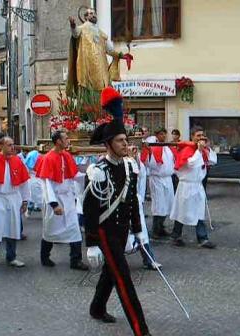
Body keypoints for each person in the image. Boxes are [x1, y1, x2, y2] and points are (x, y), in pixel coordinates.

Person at [83, 87, 151, 336]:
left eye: (126, 140)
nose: (126, 144)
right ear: (108, 144)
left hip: (122, 232)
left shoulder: (130, 167)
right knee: (123, 279)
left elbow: (131, 202)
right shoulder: (97, 171)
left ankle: (97, 307)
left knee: (110, 272)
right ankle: (141, 330)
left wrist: (138, 232)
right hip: (104, 231)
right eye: (121, 141)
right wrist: (91, 243)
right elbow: (89, 210)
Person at [36, 131, 89, 270]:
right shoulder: (48, 158)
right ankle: (45, 257)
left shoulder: (67, 155)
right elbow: (46, 184)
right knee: (50, 230)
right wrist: (54, 204)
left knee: (74, 229)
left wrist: (90, 176)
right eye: (66, 138)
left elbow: (74, 175)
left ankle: (75, 260)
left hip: (68, 199)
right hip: (55, 199)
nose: (68, 140)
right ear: (58, 141)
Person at [0, 137, 30, 267]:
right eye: (9, 145)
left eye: (13, 144)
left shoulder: (17, 161)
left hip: (13, 198)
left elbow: (24, 182)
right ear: (1, 146)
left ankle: (11, 257)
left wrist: (25, 200)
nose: (12, 147)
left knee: (13, 229)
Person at [170, 126, 217, 248]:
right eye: (198, 136)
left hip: (197, 186)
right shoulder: (187, 149)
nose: (201, 138)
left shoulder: (202, 150)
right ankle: (176, 236)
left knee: (199, 212)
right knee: (182, 212)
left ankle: (202, 238)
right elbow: (190, 163)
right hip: (186, 186)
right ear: (192, 137)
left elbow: (212, 161)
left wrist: (207, 148)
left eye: (202, 136)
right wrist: (199, 151)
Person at [66, 8, 128, 94]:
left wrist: (120, 55)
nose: (93, 15)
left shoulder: (101, 33)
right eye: (90, 13)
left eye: (94, 13)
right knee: (89, 88)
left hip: (101, 66)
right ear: (86, 17)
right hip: (88, 66)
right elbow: (75, 33)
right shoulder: (82, 28)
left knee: (104, 86)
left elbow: (109, 50)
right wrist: (73, 25)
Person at [141, 127, 175, 239]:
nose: (163, 136)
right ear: (157, 135)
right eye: (161, 134)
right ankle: (156, 229)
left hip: (168, 178)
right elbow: (147, 161)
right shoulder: (152, 145)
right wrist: (148, 149)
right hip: (157, 179)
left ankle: (161, 227)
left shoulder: (167, 147)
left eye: (164, 134)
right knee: (159, 204)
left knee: (168, 203)